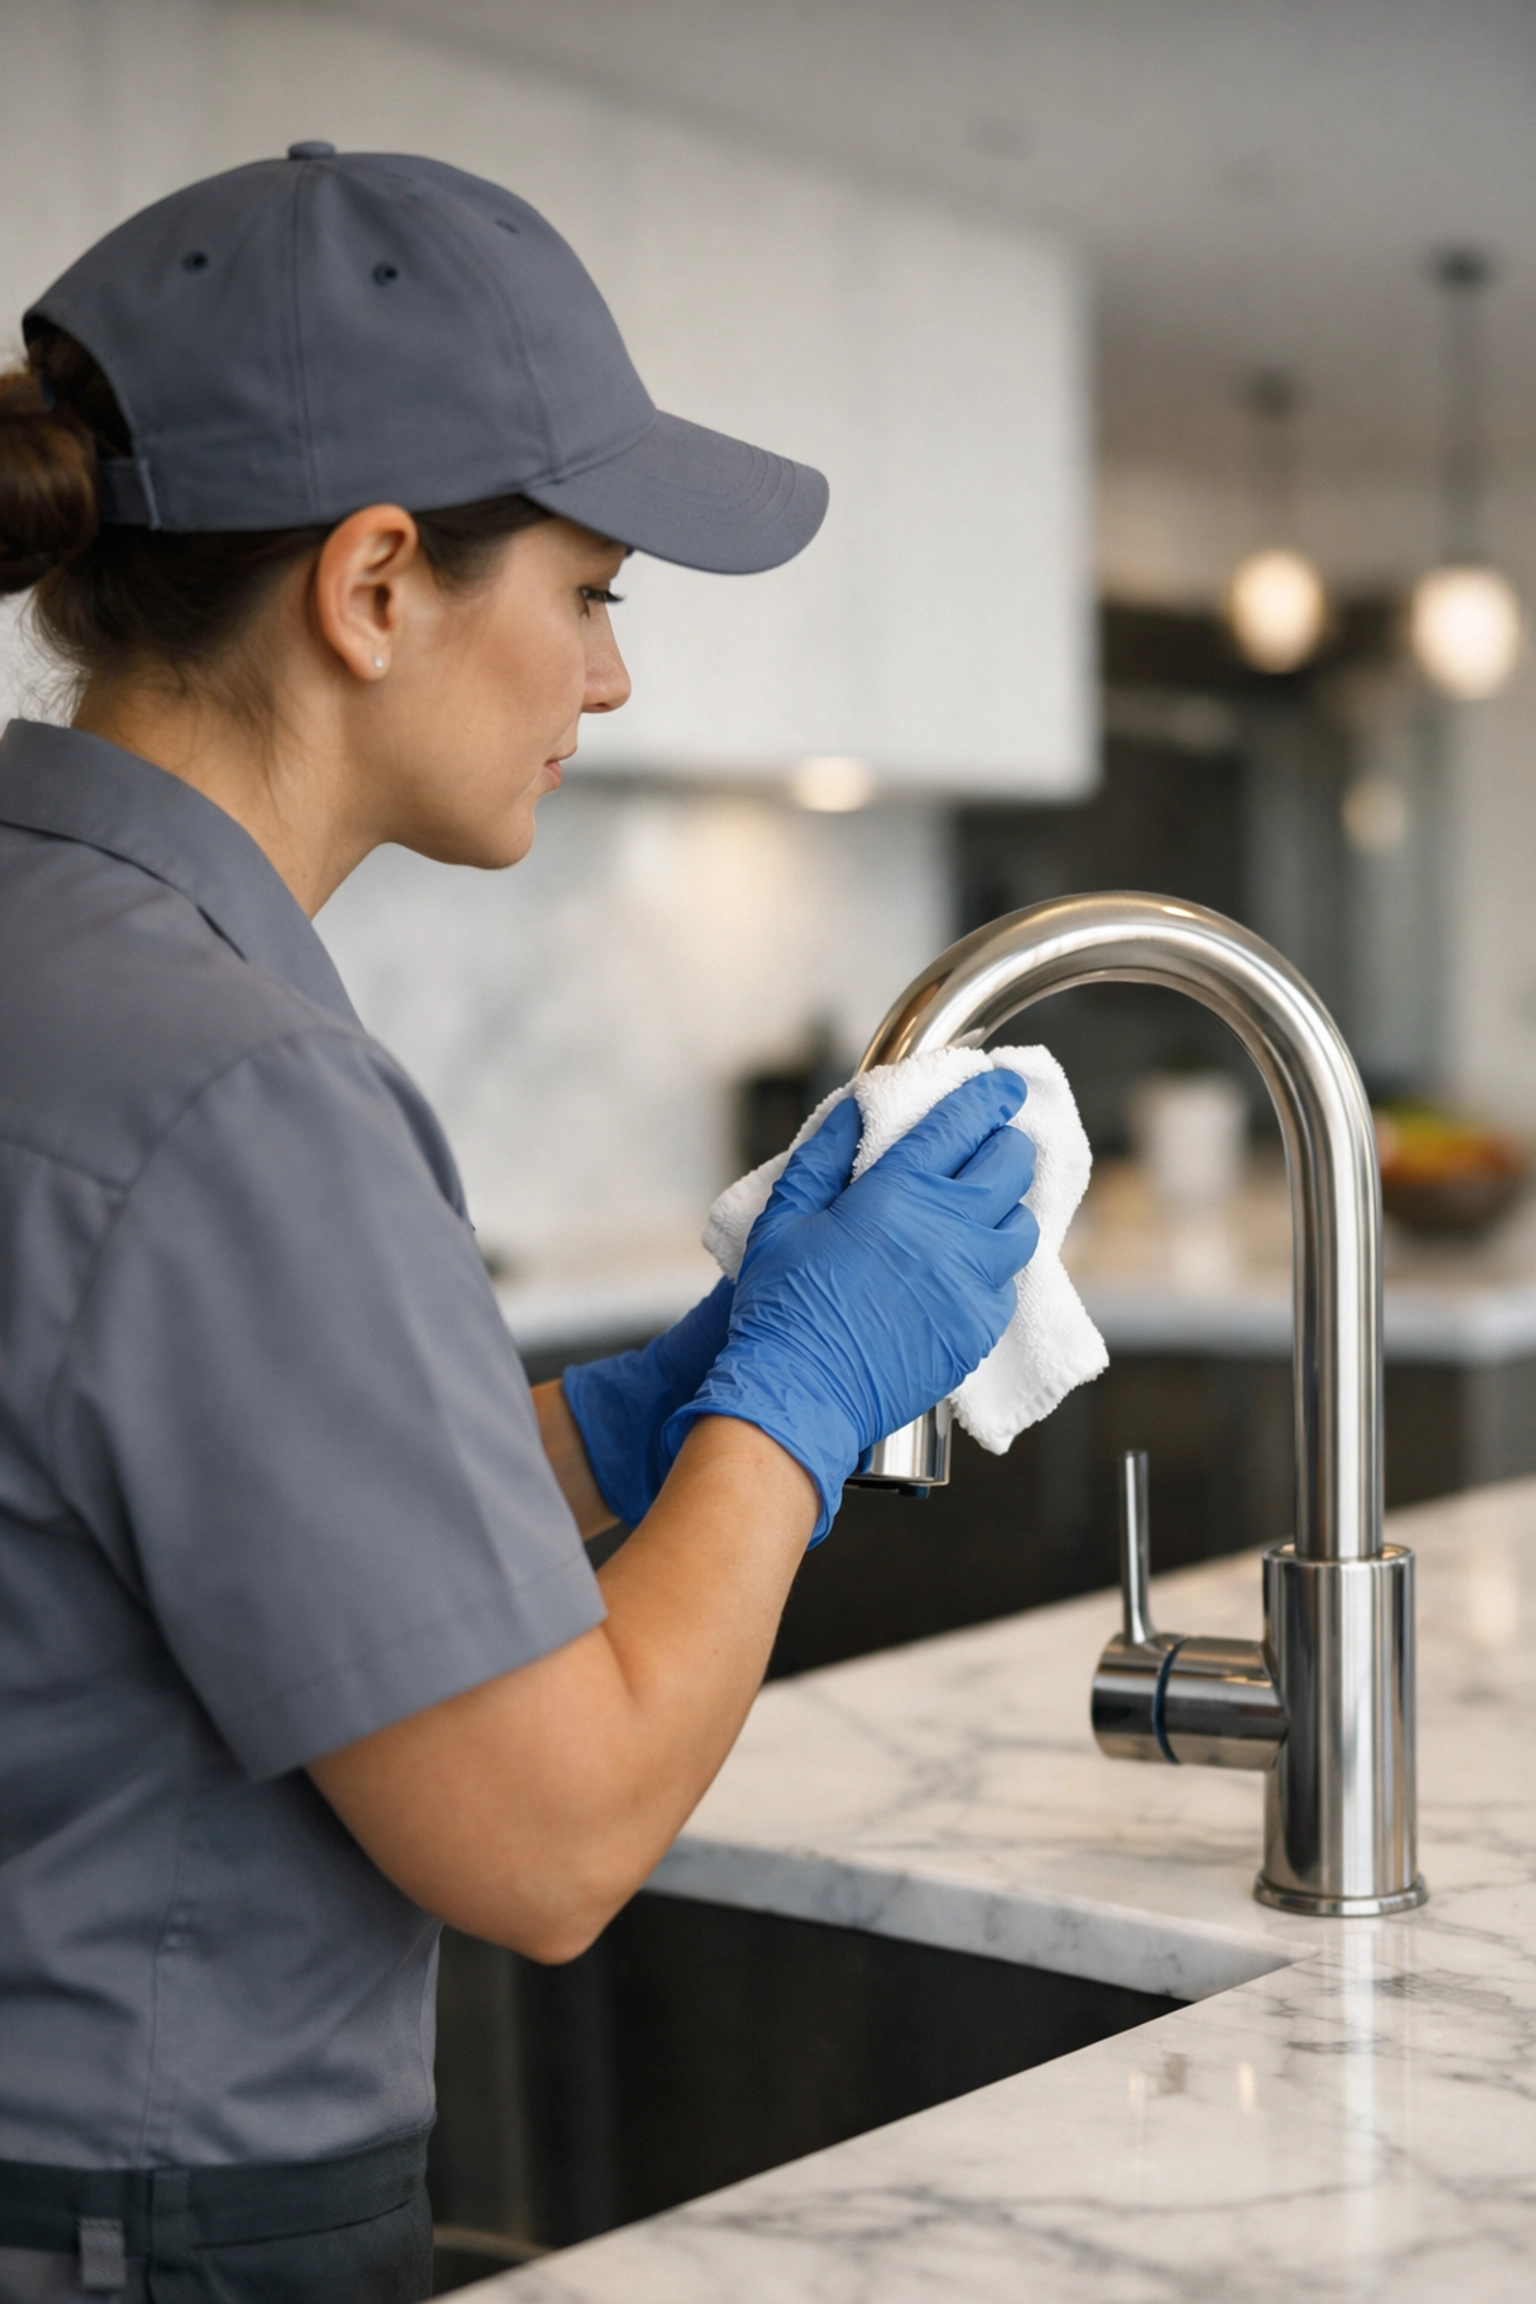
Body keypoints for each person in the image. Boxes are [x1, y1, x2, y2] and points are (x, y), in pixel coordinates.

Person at [0, 147, 1038, 2302]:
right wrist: (797, 1400)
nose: (609, 679)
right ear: (375, 585)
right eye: (592, 594)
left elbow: (175, 1546)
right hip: (145, 2226)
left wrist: (608, 1434)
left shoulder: (63, 961)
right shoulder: (233, 1086)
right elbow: (549, 1844)